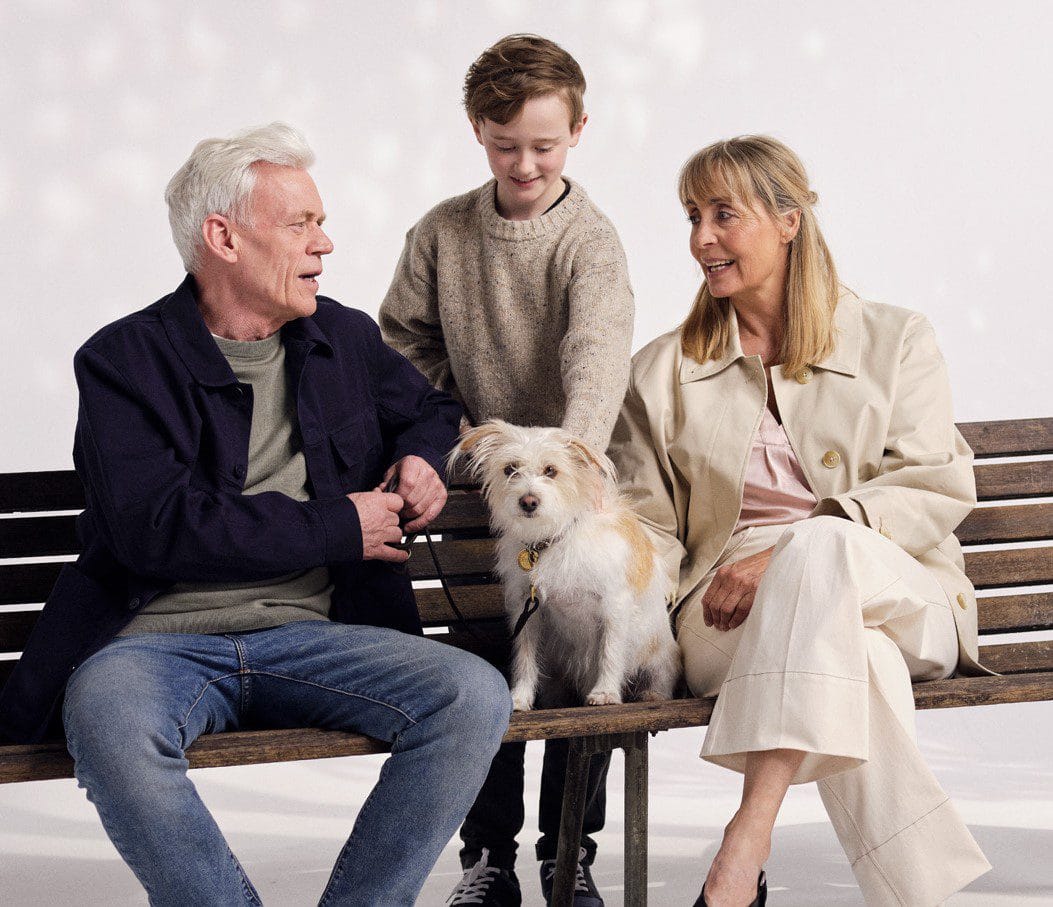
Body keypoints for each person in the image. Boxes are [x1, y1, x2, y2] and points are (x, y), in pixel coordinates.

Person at [0, 122, 512, 907]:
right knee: (106, 716)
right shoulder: (122, 361)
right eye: (301, 223)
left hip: (316, 638)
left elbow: (432, 409)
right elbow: (154, 527)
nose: (325, 243)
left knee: (471, 695)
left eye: (321, 222)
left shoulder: (341, 336)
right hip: (154, 646)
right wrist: (337, 526)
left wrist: (420, 454)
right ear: (223, 238)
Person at [609, 135, 991, 907]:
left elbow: (936, 482)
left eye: (723, 214)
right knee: (861, 657)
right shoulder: (659, 371)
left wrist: (788, 554)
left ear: (788, 221)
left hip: (892, 577)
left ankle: (743, 843)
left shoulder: (896, 339)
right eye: (691, 216)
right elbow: (646, 527)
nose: (701, 238)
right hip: (727, 609)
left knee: (821, 543)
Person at [379, 33, 634, 907]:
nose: (524, 164)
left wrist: (569, 468)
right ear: (476, 131)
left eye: (544, 145)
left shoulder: (589, 243)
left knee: (576, 661)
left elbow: (596, 357)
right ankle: (486, 857)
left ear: (578, 131)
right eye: (504, 145)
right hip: (484, 488)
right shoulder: (441, 232)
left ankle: (570, 853)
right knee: (488, 666)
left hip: (573, 488)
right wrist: (456, 428)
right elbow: (401, 340)